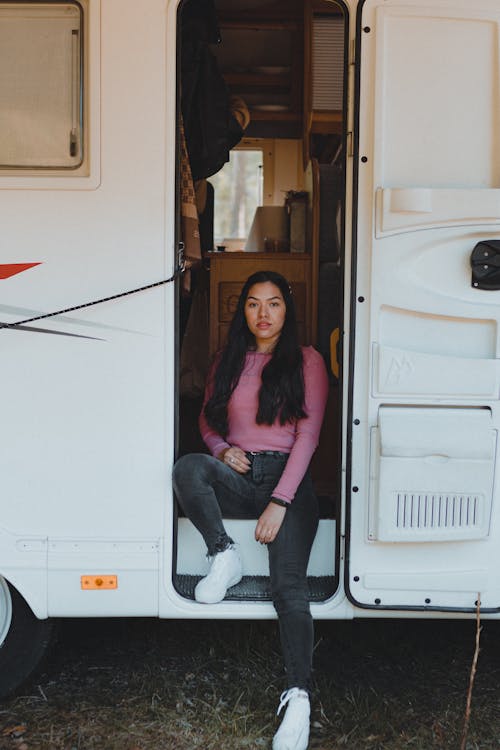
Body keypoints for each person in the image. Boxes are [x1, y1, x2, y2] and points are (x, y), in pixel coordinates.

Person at [173, 270, 329, 750]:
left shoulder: (307, 361)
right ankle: (224, 554)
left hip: (289, 482)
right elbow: (206, 416)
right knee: (189, 469)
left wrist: (280, 502)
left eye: (275, 304)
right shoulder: (229, 359)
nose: (264, 314)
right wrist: (221, 449)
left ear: (288, 309)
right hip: (239, 476)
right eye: (254, 304)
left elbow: (309, 435)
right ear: (243, 310)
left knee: (288, 588)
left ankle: (298, 698)